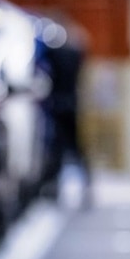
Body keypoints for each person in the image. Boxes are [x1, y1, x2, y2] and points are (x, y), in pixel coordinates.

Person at [45, 17, 91, 206]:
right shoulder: (76, 52)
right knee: (76, 148)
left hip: (57, 104)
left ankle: (54, 187)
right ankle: (86, 186)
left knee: (58, 148)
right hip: (72, 103)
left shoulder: (55, 52)